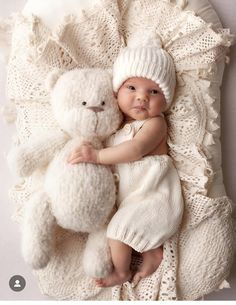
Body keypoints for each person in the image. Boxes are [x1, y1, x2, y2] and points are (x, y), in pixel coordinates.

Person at [68, 32, 184, 287]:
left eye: (153, 91)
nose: (142, 97)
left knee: (118, 231)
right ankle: (151, 252)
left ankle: (121, 273)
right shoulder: (116, 129)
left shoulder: (155, 124)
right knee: (121, 225)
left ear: (166, 101)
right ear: (116, 91)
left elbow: (135, 150)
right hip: (136, 200)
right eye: (132, 88)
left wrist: (97, 156)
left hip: (156, 198)